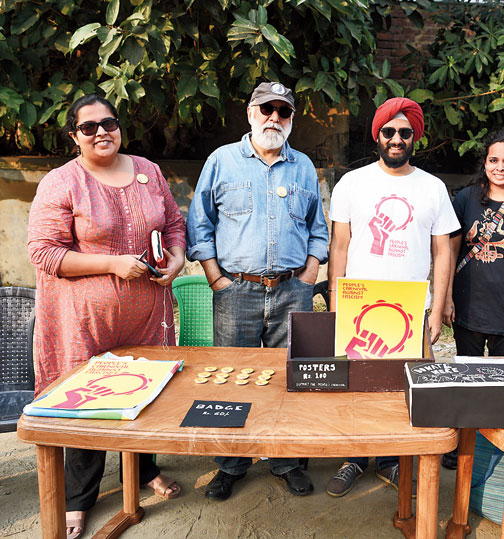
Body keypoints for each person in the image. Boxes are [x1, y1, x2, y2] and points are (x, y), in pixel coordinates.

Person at [27, 94, 186, 539]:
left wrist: (175, 259)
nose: (102, 132)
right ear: (74, 136)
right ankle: (80, 499)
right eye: (89, 127)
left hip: (147, 315)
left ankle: (142, 471)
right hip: (85, 322)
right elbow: (43, 252)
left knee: (149, 394)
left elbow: (173, 223)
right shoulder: (62, 182)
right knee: (89, 402)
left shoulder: (147, 171)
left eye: (109, 123)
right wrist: (113, 264)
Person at [186, 81, 328, 500]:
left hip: (291, 291)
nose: (274, 118)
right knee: (233, 382)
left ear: (291, 120)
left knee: (288, 378)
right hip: (237, 291)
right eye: (266, 109)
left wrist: (307, 277)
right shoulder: (222, 161)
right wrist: (216, 279)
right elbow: (200, 224)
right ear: (250, 113)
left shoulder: (302, 166)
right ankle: (232, 464)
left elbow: (318, 229)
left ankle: (283, 460)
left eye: (283, 112)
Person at [325, 96, 459, 497]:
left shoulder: (432, 187)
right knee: (357, 387)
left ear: (414, 137)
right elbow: (340, 248)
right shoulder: (353, 183)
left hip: (411, 308)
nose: (397, 138)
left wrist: (436, 310)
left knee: (408, 389)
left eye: (405, 132)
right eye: (389, 131)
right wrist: (335, 302)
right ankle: (354, 457)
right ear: (377, 136)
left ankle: (396, 460)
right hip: (359, 304)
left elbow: (443, 251)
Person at [440, 128, 504, 470]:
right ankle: (462, 443)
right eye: (494, 160)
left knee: (501, 379)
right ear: (485, 162)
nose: (500, 167)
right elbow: (451, 250)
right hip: (468, 304)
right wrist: (446, 298)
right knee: (467, 376)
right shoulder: (466, 199)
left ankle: (492, 445)